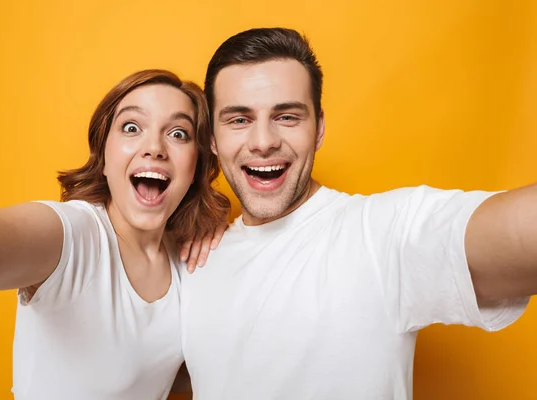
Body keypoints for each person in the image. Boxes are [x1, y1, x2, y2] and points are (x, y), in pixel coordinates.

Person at [179, 28, 535, 399]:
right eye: (239, 120)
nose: (264, 141)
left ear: (318, 129)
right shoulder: (194, 262)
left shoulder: (381, 235)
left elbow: (516, 236)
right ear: (212, 140)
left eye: (286, 117)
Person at [0, 69, 230, 399]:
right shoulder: (72, 236)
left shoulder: (189, 260)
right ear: (104, 157)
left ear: (196, 166)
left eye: (178, 134)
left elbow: (171, 372)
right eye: (132, 127)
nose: (154, 148)